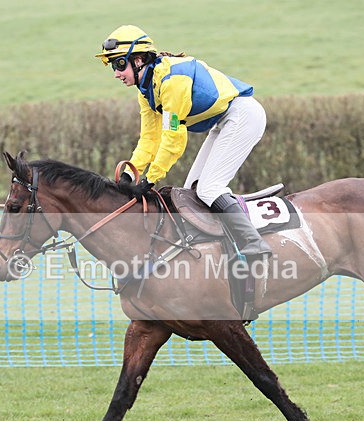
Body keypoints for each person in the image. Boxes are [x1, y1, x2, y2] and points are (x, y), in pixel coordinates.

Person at [95, 25, 271, 261]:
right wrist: (130, 173)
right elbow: (149, 138)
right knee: (191, 194)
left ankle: (254, 243)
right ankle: (222, 249)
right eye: (113, 67)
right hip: (224, 122)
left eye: (119, 64)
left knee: (209, 189)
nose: (116, 73)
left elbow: (174, 138)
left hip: (243, 116)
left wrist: (150, 179)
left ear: (138, 60)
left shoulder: (172, 82)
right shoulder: (146, 90)